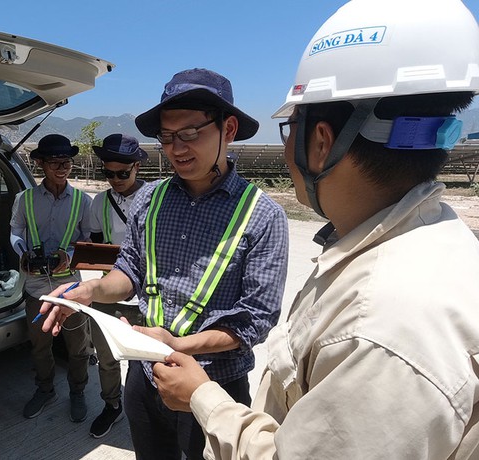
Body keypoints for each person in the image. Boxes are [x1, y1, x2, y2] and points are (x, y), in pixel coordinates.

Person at [151, 1, 479, 458]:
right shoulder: (429, 249)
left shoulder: (383, 323)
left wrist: (203, 398)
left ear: (320, 142)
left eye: (289, 129)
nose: (286, 150)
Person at [40, 68, 289, 459]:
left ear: (229, 128)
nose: (176, 148)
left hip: (212, 386)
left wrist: (179, 344)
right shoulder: (150, 200)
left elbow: (255, 319)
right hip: (144, 377)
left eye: (190, 133)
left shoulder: (263, 216)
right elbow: (130, 272)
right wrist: (90, 289)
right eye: (167, 137)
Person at [9, 134, 93, 422]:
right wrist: (22, 253)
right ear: (41, 164)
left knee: (78, 347)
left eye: (66, 161)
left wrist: (67, 256)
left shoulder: (83, 200)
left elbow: (87, 241)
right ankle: (45, 390)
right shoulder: (25, 199)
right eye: (54, 161)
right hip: (36, 288)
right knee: (40, 345)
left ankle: (78, 392)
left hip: (71, 288)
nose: (62, 167)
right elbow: (16, 231)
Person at [86, 133, 148, 438]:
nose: (115, 180)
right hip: (109, 290)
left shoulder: (156, 198)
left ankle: (151, 410)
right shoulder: (99, 202)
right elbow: (97, 245)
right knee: (106, 357)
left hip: (148, 295)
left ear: (137, 166)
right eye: (108, 173)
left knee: (146, 359)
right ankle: (112, 406)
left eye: (122, 173)